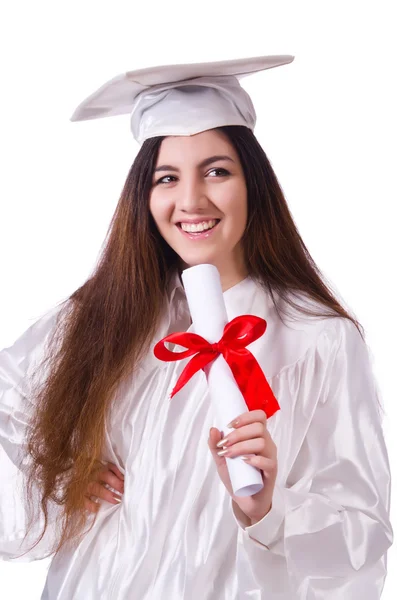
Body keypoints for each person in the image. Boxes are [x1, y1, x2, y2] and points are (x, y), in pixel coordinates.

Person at [0, 55, 393, 599]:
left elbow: (362, 533)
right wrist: (61, 469)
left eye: (216, 171)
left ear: (253, 183)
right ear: (145, 197)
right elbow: (9, 399)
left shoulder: (317, 338)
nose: (191, 201)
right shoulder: (107, 316)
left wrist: (265, 507)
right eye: (167, 178)